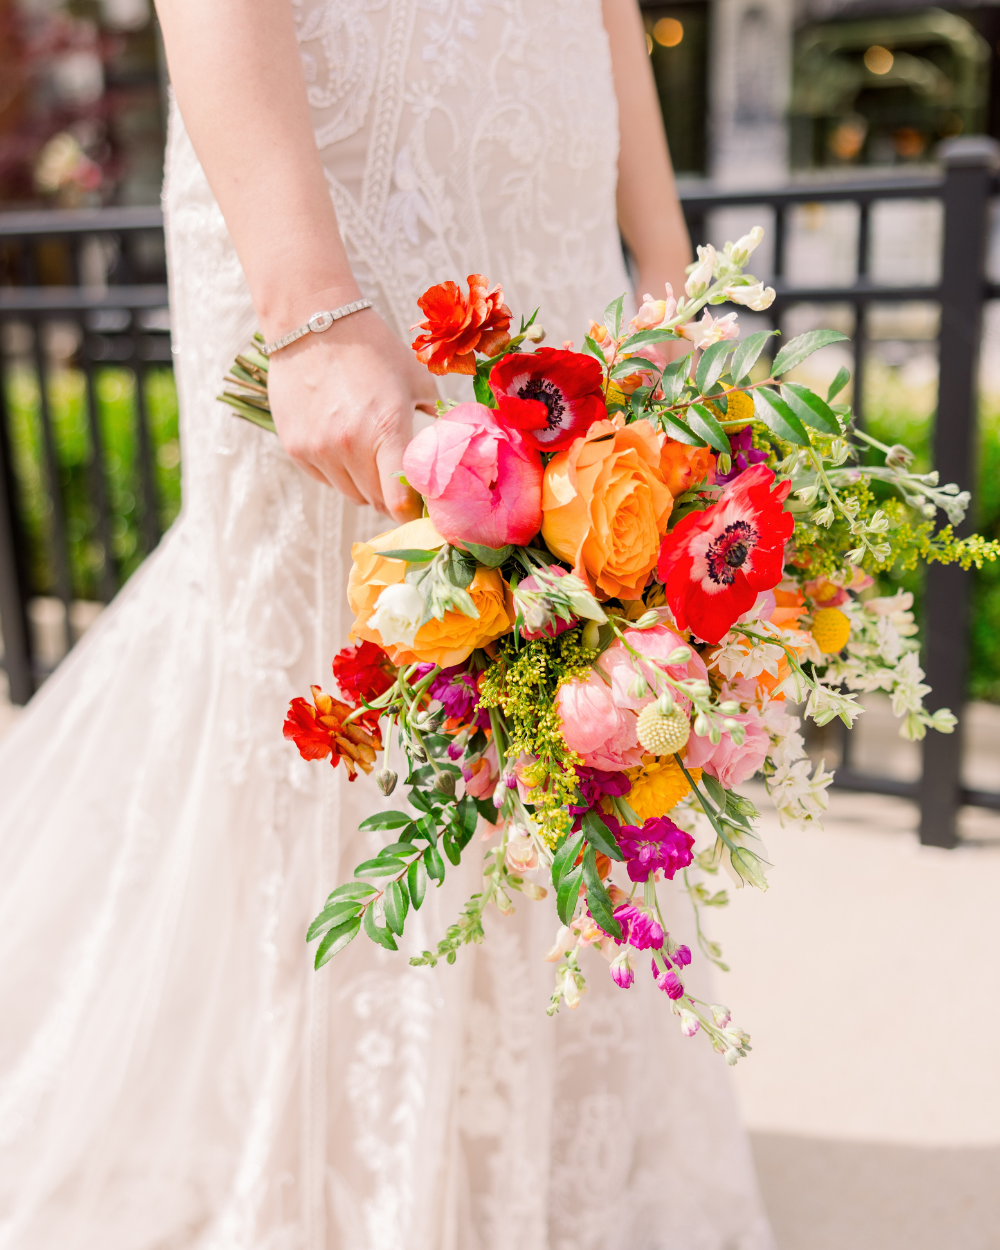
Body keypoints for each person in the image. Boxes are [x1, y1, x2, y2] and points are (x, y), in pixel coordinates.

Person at [0, 2, 775, 1246]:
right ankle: (329, 1159)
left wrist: (672, 281)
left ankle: (526, 1149)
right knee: (331, 668)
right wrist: (307, 307)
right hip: (336, 171)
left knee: (574, 660)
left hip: (543, 190)